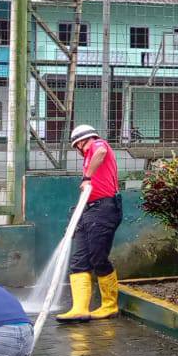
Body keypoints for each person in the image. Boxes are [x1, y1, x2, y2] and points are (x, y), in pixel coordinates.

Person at [58, 123, 124, 323]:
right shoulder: (88, 158)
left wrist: (87, 177)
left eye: (77, 146)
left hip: (104, 209)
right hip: (89, 210)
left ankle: (109, 306)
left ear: (80, 142)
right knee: (79, 260)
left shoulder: (97, 145)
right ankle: (79, 309)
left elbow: (101, 152)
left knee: (98, 258)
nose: (78, 150)